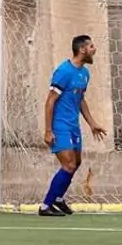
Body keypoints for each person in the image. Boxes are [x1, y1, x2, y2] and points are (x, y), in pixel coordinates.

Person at [38, 35, 107, 216]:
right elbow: (50, 101)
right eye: (92, 46)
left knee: (76, 163)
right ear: (82, 49)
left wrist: (92, 123)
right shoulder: (64, 71)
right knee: (68, 164)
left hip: (73, 125)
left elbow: (80, 99)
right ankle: (45, 206)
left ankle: (59, 199)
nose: (95, 49)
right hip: (60, 126)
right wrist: (48, 130)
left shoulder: (84, 73)